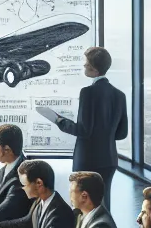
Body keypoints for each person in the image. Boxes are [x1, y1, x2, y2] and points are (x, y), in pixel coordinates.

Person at [50, 46, 128, 196]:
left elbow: (83, 130)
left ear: (95, 70)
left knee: (84, 206)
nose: (84, 66)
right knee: (103, 205)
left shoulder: (88, 93)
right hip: (109, 159)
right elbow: (122, 133)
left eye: (87, 64)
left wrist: (60, 121)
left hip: (88, 160)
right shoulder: (120, 95)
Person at [3, 160, 76, 228]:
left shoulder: (60, 212)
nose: (22, 188)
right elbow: (24, 223)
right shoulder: (39, 202)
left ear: (39, 183)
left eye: (24, 184)